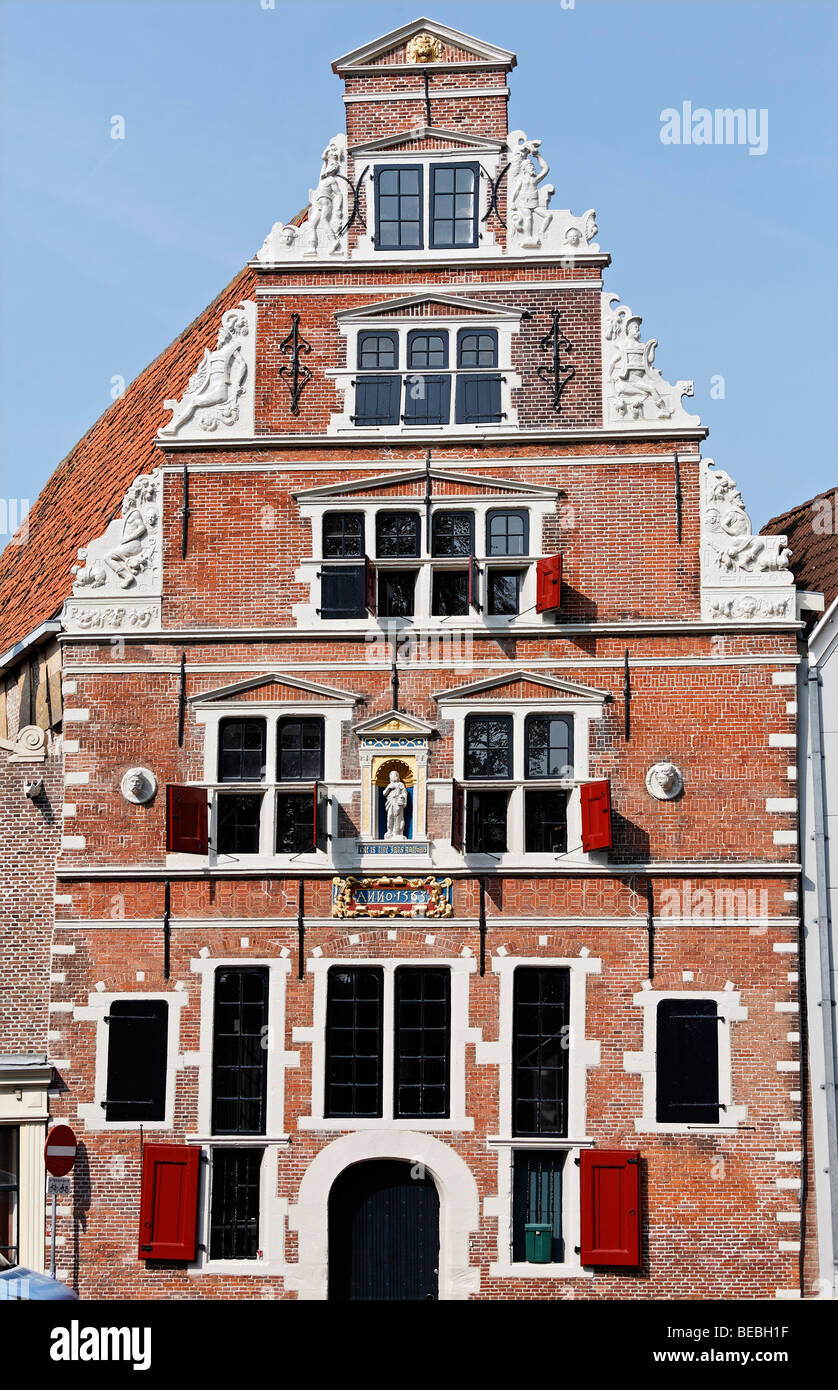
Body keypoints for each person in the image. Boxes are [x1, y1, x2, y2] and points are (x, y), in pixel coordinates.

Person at [383, 770, 408, 839]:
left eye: (395, 775)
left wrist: (402, 797)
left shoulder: (400, 784)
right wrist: (389, 788)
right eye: (392, 775)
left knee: (398, 818)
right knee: (390, 816)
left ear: (397, 776)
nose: (393, 777)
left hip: (398, 803)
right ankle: (389, 831)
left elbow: (404, 793)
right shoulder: (389, 785)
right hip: (390, 802)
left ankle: (397, 833)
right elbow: (384, 793)